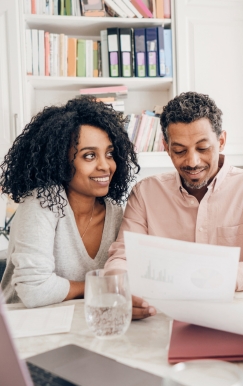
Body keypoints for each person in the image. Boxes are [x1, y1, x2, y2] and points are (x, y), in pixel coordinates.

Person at [106, 92, 243, 290]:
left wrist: (219, 278)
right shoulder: (145, 193)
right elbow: (122, 257)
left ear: (221, 142)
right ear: (166, 147)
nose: (192, 162)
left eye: (202, 148)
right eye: (179, 151)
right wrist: (121, 289)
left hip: (234, 311)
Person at [0, 96, 154, 319]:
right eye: (89, 155)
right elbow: (34, 291)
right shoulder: (42, 202)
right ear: (60, 161)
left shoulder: (115, 212)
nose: (105, 166)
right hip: (24, 329)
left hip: (83, 323)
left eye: (109, 154)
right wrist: (101, 287)